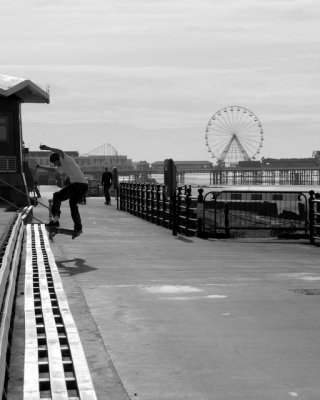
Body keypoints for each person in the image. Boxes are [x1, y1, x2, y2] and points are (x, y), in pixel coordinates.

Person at [36, 144, 88, 233]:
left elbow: (59, 151)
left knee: (57, 196)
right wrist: (41, 167)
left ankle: (55, 221)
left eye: (55, 163)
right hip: (83, 186)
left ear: (57, 159)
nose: (56, 165)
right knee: (73, 204)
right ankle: (78, 226)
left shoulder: (65, 159)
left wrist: (48, 148)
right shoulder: (61, 166)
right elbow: (53, 170)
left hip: (78, 185)